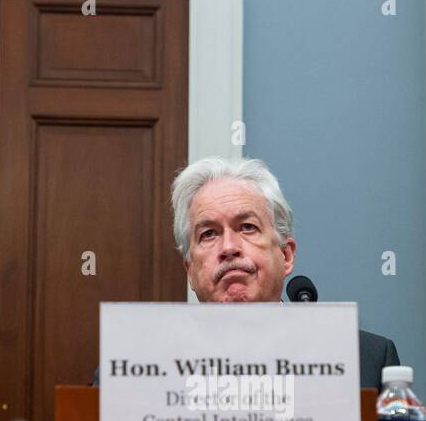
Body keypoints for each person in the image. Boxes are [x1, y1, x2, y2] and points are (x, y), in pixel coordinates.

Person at [172, 156, 401, 389]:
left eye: (247, 227)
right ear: (190, 271)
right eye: (209, 234)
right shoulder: (155, 368)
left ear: (286, 255)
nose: (229, 248)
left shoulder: (366, 359)